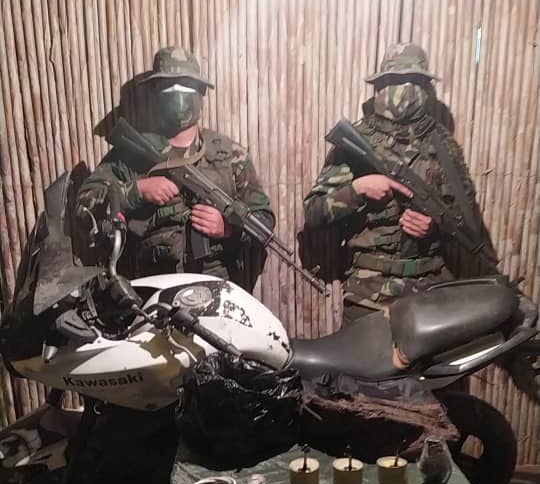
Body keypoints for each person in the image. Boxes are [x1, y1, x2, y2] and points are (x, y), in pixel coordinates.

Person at [303, 42, 497, 325]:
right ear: (380, 86)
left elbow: (467, 220)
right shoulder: (357, 141)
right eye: (394, 80)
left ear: (426, 86)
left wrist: (435, 227)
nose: (405, 88)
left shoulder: (444, 145)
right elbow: (313, 212)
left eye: (414, 80)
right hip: (368, 296)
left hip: (431, 292)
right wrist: (358, 190)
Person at [76, 46, 274, 281]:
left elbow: (264, 219)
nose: (178, 94)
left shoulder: (230, 155)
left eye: (187, 85)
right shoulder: (131, 154)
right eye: (168, 86)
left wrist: (228, 229)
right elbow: (84, 207)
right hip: (152, 288)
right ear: (154, 94)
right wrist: (136, 191)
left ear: (201, 93)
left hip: (217, 285)